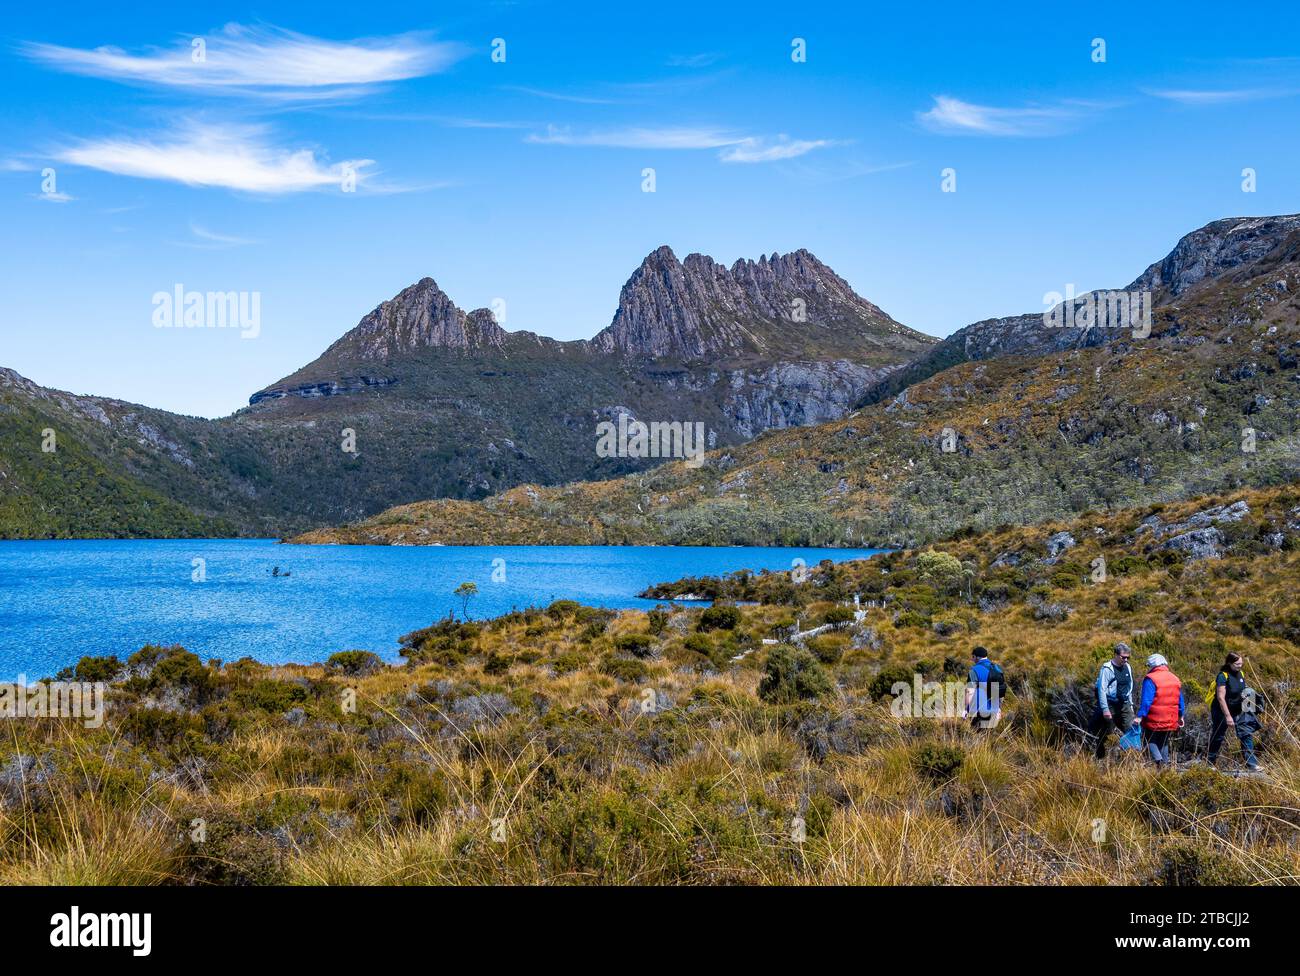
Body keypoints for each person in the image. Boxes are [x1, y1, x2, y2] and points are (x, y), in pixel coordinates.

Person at [1207, 653, 1260, 771]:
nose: (1240, 666)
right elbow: (1220, 698)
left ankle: (1251, 764)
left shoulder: (1241, 674)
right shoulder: (1223, 676)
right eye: (1237, 664)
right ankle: (1210, 762)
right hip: (1221, 710)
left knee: (1245, 733)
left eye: (1241, 663)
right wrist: (1228, 716)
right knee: (1218, 735)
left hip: (1237, 709)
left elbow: (1243, 690)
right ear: (1229, 663)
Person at [1135, 653, 1184, 767]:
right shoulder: (1175, 678)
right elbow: (1180, 700)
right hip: (1171, 718)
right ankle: (1164, 768)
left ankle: (1159, 761)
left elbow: (1146, 701)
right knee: (1164, 742)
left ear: (1152, 665)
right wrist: (1181, 716)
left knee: (1149, 740)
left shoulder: (1151, 678)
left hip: (1154, 718)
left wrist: (1140, 716)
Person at [1088, 642, 1136, 759]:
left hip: (1124, 704)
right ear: (1115, 654)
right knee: (1107, 732)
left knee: (1131, 729)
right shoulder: (1107, 669)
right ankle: (1103, 757)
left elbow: (1129, 686)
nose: (1125, 660)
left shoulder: (1127, 667)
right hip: (1110, 704)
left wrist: (1130, 705)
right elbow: (1102, 690)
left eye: (1127, 657)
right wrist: (1105, 709)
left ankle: (1129, 755)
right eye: (1123, 657)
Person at [964, 646, 1003, 729]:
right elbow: (1001, 690)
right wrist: (999, 708)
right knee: (990, 737)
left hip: (978, 710)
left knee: (977, 736)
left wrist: (966, 709)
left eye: (973, 657)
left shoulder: (974, 670)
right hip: (994, 710)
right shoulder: (997, 669)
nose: (972, 659)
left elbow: (969, 691)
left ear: (976, 657)